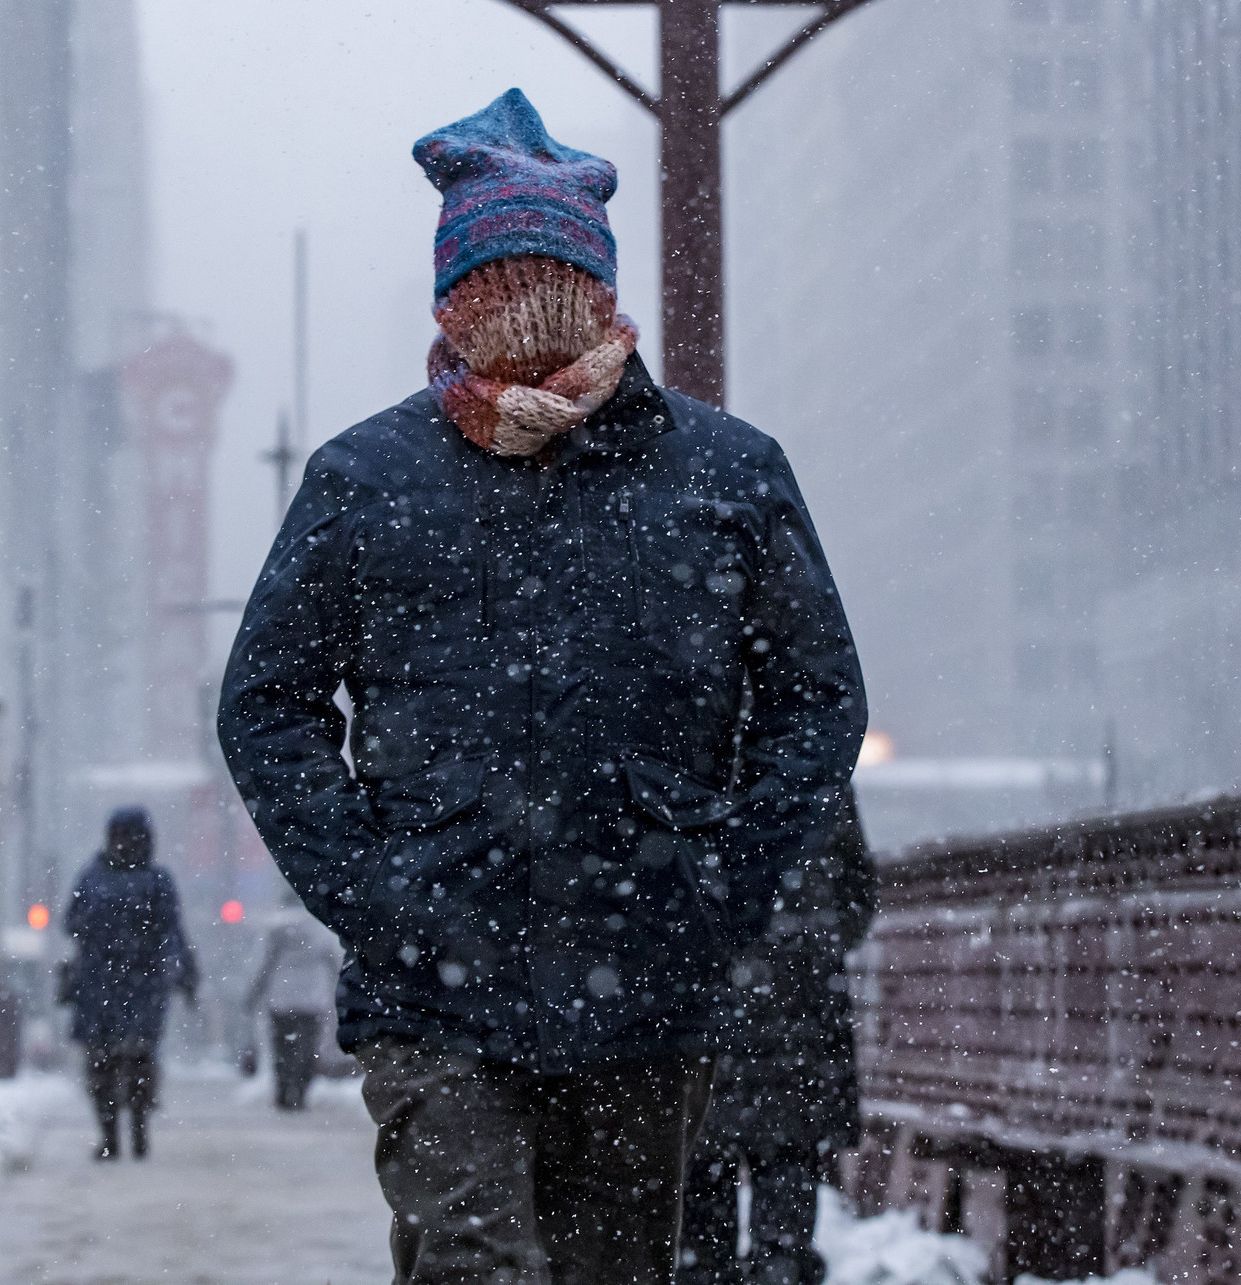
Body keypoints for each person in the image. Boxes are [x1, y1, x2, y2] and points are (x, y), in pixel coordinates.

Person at [218, 87, 866, 1285]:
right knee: (476, 1261)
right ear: (449, 309)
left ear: (600, 297)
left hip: (644, 979)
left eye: (550, 295)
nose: (525, 331)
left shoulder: (725, 475)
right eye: (495, 298)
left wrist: (719, 880)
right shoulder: (367, 478)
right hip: (435, 982)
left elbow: (815, 699)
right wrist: (373, 889)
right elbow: (267, 704)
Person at [677, 789, 877, 1285]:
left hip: (707, 1019)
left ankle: (709, 1272)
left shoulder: (686, 763)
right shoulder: (814, 771)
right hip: (799, 1026)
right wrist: (812, 945)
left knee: (702, 1195)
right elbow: (857, 892)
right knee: (786, 1185)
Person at [61, 806, 197, 1161]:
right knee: (121, 1062)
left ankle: (125, 1133)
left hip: (119, 986)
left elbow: (72, 923)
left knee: (117, 1062)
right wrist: (182, 969)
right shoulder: (147, 879)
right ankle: (123, 1133)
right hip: (124, 986)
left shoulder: (98, 877)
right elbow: (173, 932)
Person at [245, 892, 347, 1110]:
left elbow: (261, 964)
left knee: (282, 1046)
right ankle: (300, 1091)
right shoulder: (320, 926)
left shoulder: (273, 928)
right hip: (312, 997)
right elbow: (336, 960)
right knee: (307, 1047)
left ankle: (283, 1091)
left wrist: (254, 992)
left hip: (281, 996)